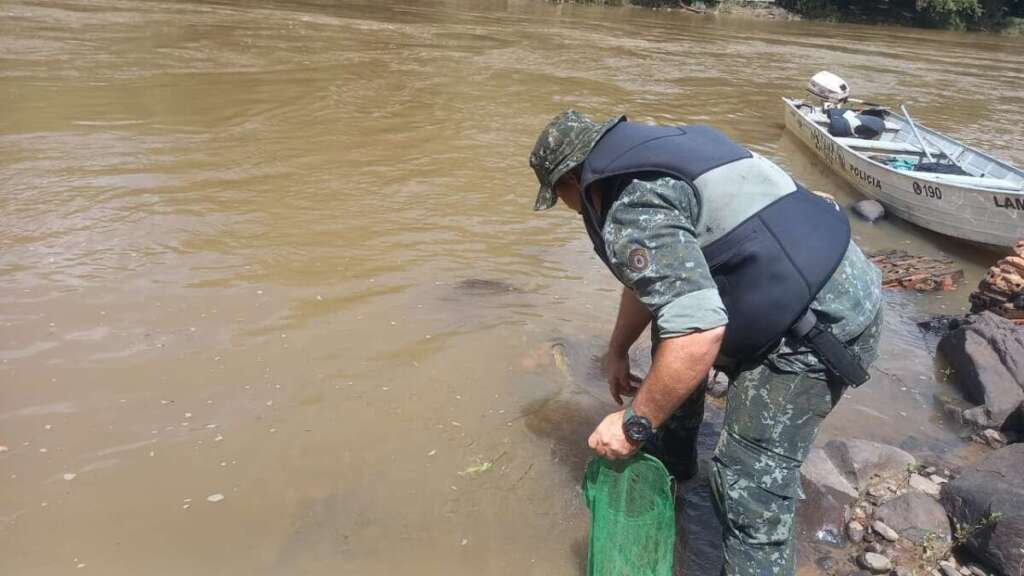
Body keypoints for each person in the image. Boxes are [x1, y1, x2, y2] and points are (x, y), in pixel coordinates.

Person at [528, 110, 883, 576]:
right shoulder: (662, 149)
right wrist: (616, 350)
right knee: (671, 320)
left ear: (573, 178)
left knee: (747, 485)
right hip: (802, 276)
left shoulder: (632, 204)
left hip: (818, 326)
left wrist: (634, 424)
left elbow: (697, 334)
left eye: (561, 196)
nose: (570, 208)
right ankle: (673, 461)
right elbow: (650, 283)